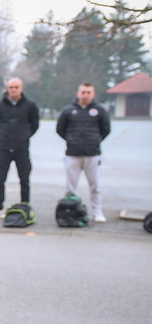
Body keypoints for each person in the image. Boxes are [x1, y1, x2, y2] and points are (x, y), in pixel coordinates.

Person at [56, 82, 112, 223]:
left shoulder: (99, 111)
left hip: (92, 154)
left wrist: (95, 141)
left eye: (88, 92)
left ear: (93, 94)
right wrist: (71, 140)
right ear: (78, 93)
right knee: (70, 186)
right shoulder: (68, 110)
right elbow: (60, 129)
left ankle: (97, 212)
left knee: (95, 185)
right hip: (72, 154)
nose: (85, 95)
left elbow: (106, 129)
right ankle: (69, 212)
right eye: (83, 92)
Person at [0, 77, 40, 220]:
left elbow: (34, 125)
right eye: (11, 87)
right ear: (7, 89)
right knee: (0, 179)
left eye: (16, 87)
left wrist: (24, 136)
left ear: (21, 88)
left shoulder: (30, 106)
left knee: (24, 179)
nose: (13, 90)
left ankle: (25, 206)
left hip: (22, 149)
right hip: (4, 148)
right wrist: (4, 134)